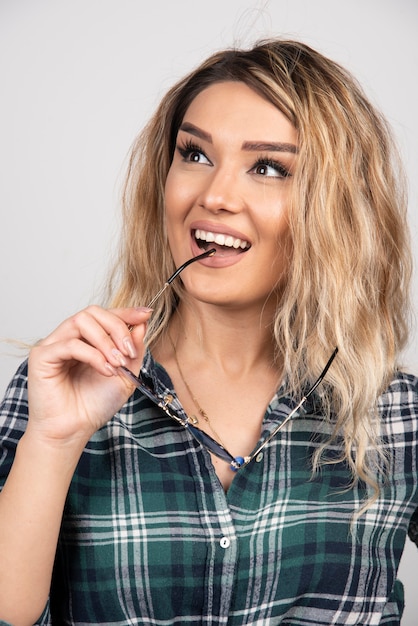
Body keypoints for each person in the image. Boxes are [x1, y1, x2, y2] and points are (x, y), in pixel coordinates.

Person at [0, 38, 417, 626]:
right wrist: (52, 441)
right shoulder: (63, 388)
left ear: (338, 206)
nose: (214, 197)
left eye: (268, 167)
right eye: (194, 155)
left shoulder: (396, 412)